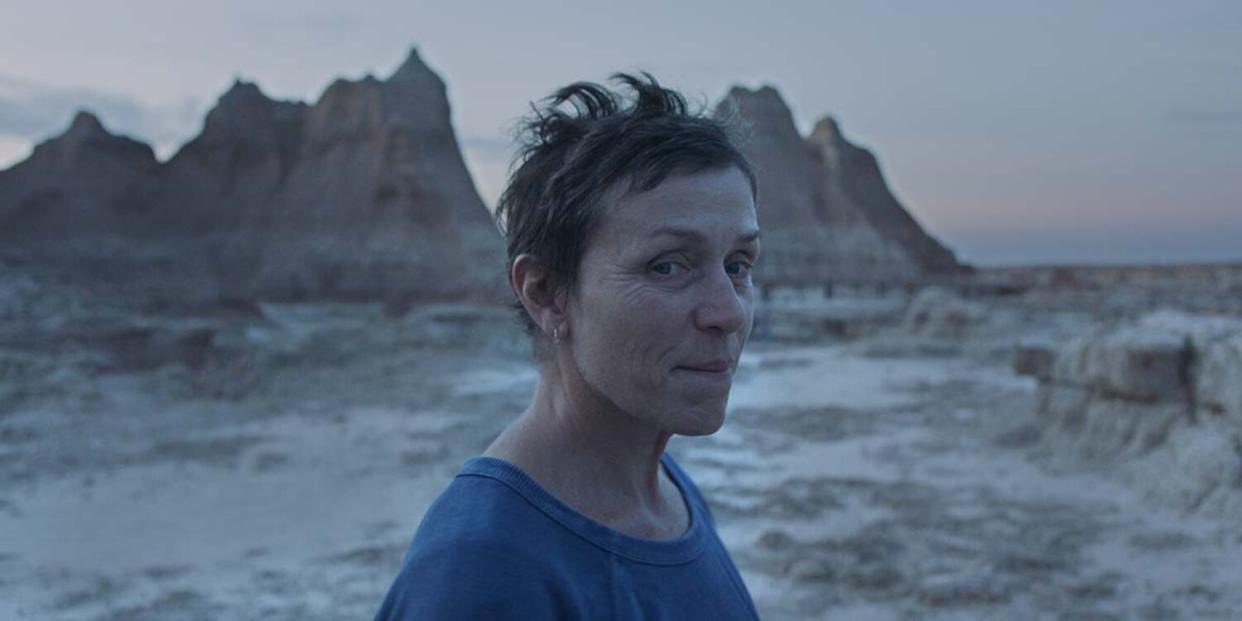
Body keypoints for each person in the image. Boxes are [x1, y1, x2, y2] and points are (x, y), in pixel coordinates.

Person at [374, 73, 762, 620]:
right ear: (546, 293)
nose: (728, 312)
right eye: (668, 265)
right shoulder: (481, 575)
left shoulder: (668, 493)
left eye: (738, 265)